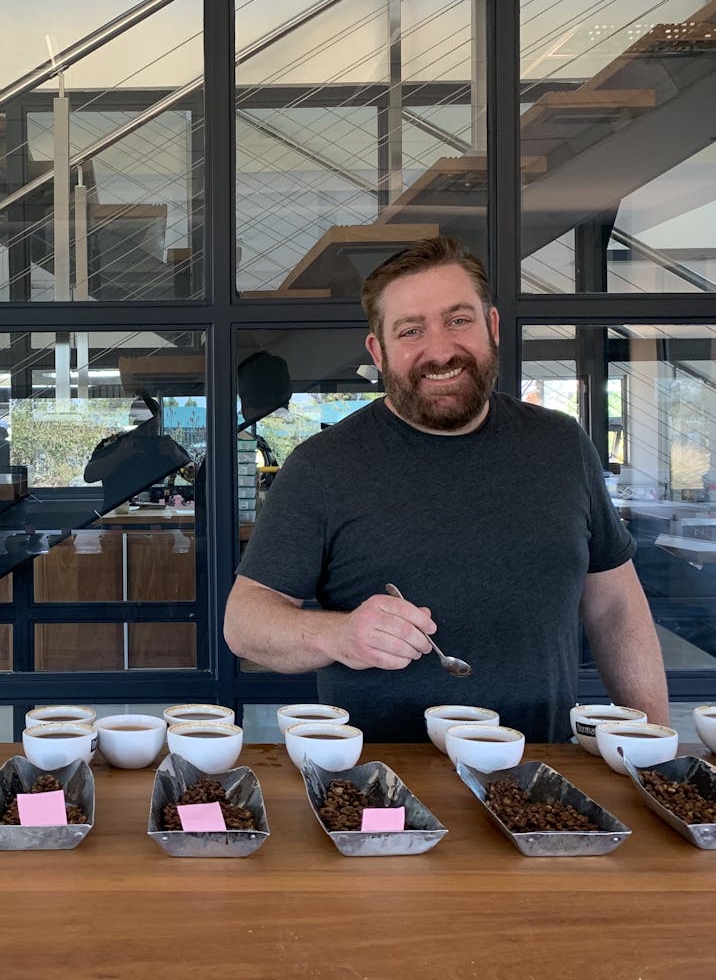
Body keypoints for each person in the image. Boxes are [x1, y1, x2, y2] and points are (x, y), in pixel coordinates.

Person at [224, 236, 669, 742]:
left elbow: (615, 607)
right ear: (379, 350)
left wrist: (653, 745)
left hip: (543, 777)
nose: (440, 350)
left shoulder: (561, 444)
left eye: (458, 320)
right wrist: (339, 635)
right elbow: (245, 623)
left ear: (492, 326)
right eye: (411, 330)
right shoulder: (324, 466)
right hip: (381, 790)